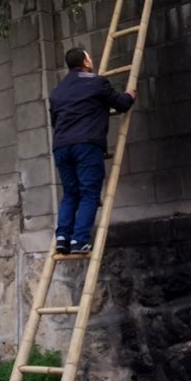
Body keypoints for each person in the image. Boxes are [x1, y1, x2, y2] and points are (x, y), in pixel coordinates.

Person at [49, 48, 136, 254]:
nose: (92, 60)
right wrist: (130, 95)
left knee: (70, 193)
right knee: (89, 193)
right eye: (89, 56)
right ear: (85, 62)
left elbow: (55, 121)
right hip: (86, 144)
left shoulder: (57, 91)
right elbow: (122, 104)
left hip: (61, 146)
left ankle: (62, 237)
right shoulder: (97, 83)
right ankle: (80, 241)